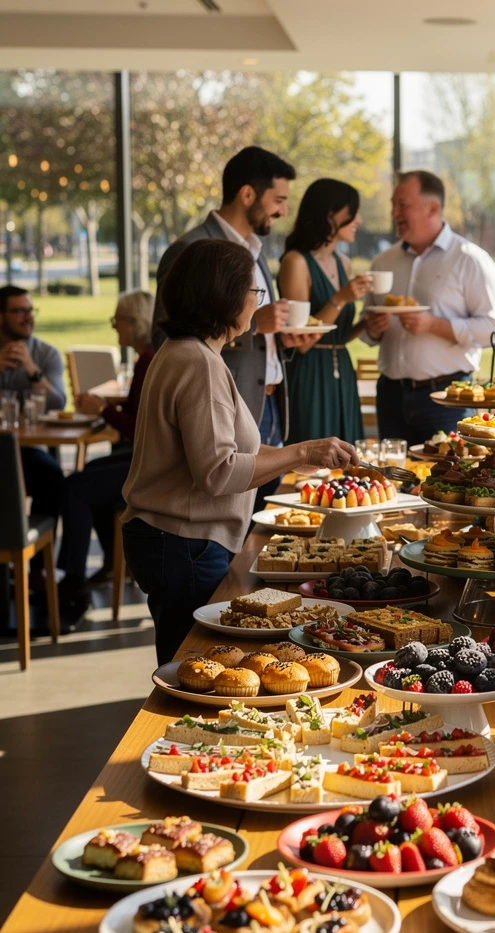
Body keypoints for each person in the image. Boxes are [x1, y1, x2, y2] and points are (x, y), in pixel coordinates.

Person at [123, 239, 357, 665]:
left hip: (174, 541)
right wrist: (302, 449)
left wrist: (306, 457)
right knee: (194, 670)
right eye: (255, 291)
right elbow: (219, 473)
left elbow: (228, 450)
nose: (257, 301)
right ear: (226, 296)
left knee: (193, 666)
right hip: (182, 545)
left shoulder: (185, 353)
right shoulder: (198, 364)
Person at [152, 146, 301, 512]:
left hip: (267, 405)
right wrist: (254, 329)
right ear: (247, 194)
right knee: (237, 531)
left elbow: (258, 325)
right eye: (278, 200)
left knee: (260, 529)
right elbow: (166, 338)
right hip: (222, 416)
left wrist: (284, 334)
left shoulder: (256, 250)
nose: (283, 211)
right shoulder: (189, 250)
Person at [362, 170, 495, 443]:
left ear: (433, 207)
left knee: (447, 481)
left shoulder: (470, 260)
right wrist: (373, 328)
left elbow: (494, 331)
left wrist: (432, 325)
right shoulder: (383, 262)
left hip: (447, 398)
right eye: (394, 204)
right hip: (390, 396)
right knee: (393, 480)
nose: (394, 212)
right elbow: (368, 332)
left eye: (402, 205)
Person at [57, 290, 156, 627]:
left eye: (118, 321)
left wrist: (102, 409)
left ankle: (73, 582)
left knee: (75, 487)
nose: (115, 327)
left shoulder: (150, 358)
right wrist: (107, 409)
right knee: (86, 476)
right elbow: (134, 417)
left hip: (149, 467)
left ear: (134, 322)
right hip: (145, 458)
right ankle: (111, 563)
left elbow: (138, 427)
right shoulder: (147, 357)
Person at [277, 178, 369, 444]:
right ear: (330, 214)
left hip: (343, 376)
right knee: (311, 463)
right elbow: (302, 342)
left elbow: (336, 336)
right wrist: (341, 298)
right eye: (352, 212)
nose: (359, 220)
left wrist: (366, 324)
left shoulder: (344, 263)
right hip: (310, 376)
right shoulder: (296, 263)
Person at [0, 285, 66, 533]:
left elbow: (59, 403)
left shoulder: (46, 354)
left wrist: (32, 370)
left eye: (30, 310)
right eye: (19, 311)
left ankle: (39, 565)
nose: (28, 318)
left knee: (52, 477)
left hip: (25, 451)